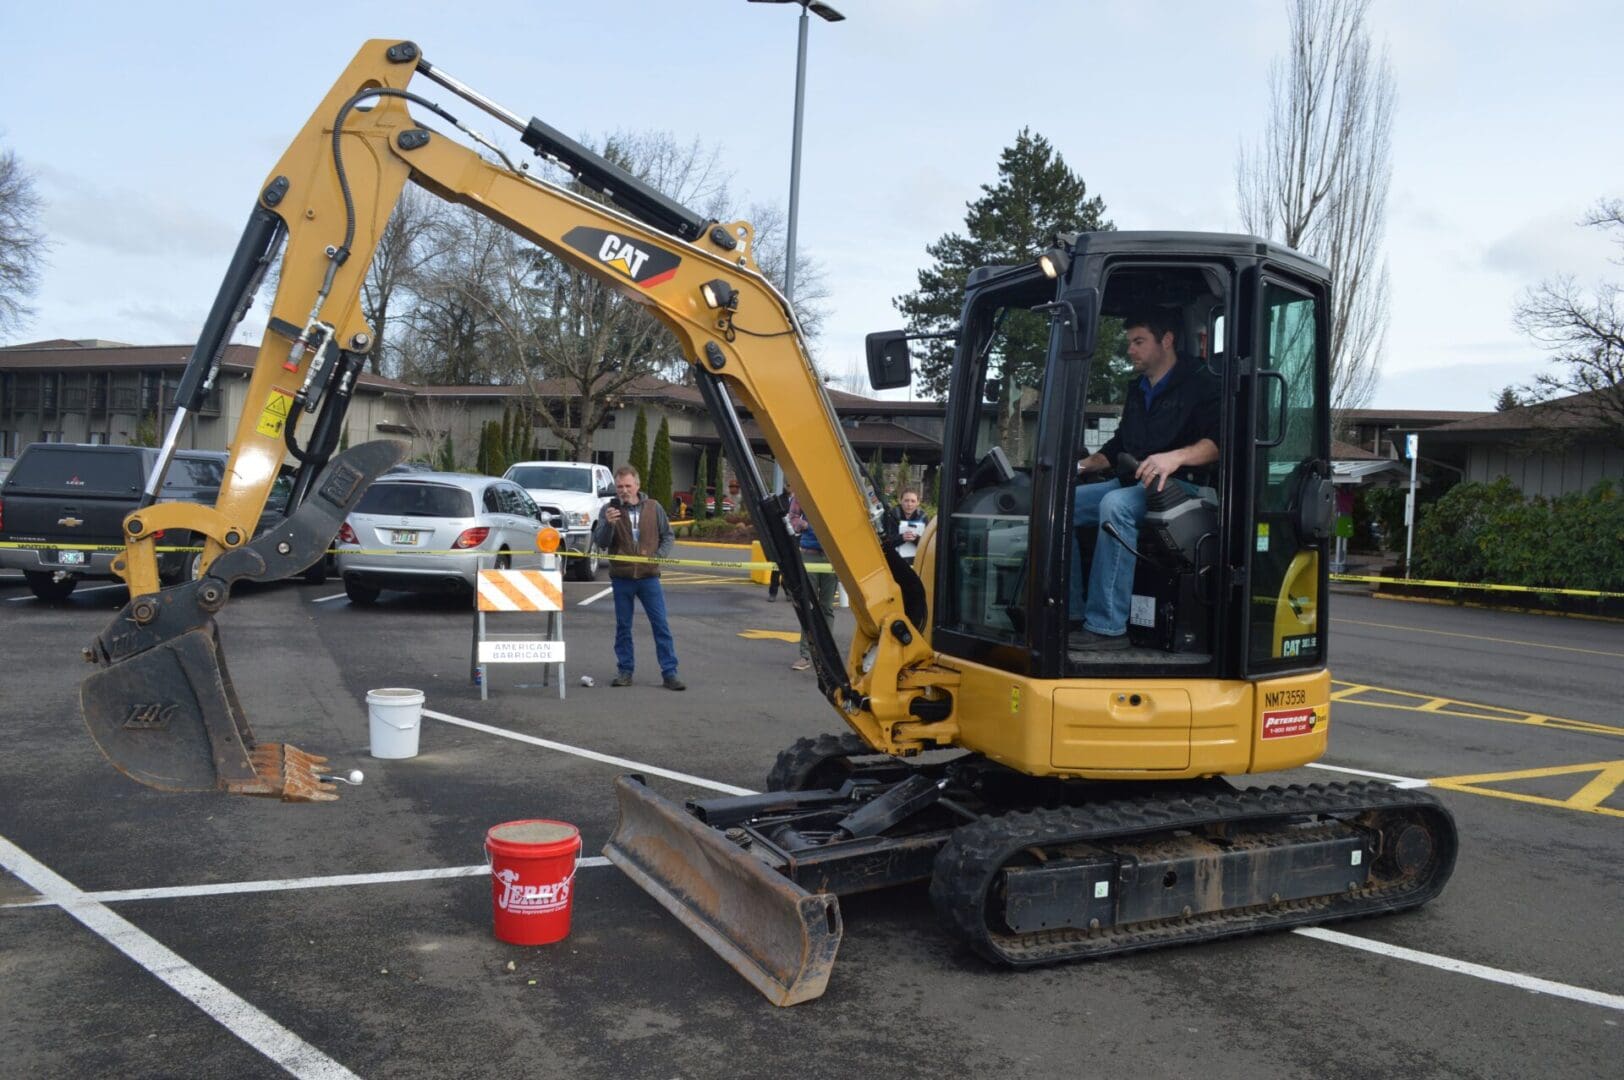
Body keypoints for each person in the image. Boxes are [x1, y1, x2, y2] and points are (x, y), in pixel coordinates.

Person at [1069, 311, 1219, 650]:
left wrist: (1175, 457)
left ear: (1166, 340)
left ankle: (1107, 628)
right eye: (1129, 344)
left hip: (1185, 487)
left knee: (1115, 505)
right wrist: (1078, 468)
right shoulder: (1138, 389)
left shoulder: (1202, 383)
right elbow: (1119, 444)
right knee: (1063, 505)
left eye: (1139, 342)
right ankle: (1072, 613)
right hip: (1135, 483)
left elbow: (1218, 444)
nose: (1131, 351)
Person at [593, 464, 685, 690]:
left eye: (627, 485)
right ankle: (625, 671)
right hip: (622, 577)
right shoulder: (608, 509)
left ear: (637, 485)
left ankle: (669, 673)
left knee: (660, 624)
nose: (623, 490)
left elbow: (668, 536)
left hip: (648, 577)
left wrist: (658, 558)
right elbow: (602, 542)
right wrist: (609, 525)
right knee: (623, 626)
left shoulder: (654, 507)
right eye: (619, 486)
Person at [787, 492, 838, 671]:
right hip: (810, 555)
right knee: (808, 606)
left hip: (832, 556)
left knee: (826, 607)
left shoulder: (838, 493)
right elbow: (792, 517)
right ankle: (805, 655)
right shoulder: (803, 492)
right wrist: (806, 525)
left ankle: (827, 655)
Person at [892, 486, 928, 564]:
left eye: (913, 501)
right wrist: (902, 538)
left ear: (918, 502)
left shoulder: (923, 516)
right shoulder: (892, 515)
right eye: (906, 500)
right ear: (900, 501)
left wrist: (915, 539)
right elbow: (887, 541)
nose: (909, 504)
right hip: (895, 559)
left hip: (917, 559)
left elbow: (927, 543)